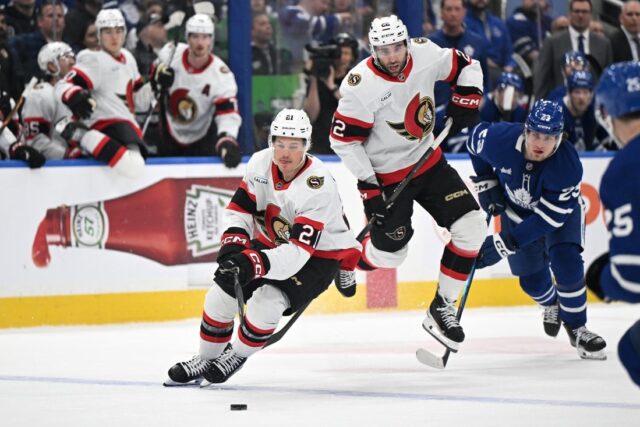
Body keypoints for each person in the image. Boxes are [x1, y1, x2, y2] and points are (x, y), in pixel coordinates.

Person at [164, 109, 361, 386]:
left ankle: (236, 355)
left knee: (267, 303)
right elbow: (241, 209)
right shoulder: (259, 163)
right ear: (271, 142)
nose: (285, 153)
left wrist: (253, 263)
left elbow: (296, 254)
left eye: (294, 145)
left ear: (306, 146)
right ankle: (206, 358)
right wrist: (235, 242)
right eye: (280, 143)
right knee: (220, 293)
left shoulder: (318, 185)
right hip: (273, 242)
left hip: (319, 255)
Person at [329, 15, 488, 352]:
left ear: (406, 43)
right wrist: (369, 187)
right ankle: (348, 259)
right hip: (388, 178)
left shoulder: (425, 53)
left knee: (472, 227)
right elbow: (343, 141)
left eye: (397, 48)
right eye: (384, 50)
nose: (392, 56)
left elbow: (466, 66)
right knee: (391, 256)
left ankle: (442, 307)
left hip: (428, 162)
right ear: (373, 50)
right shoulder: (360, 87)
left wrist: (468, 97)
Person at [467, 99, 607, 360]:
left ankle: (578, 328)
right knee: (532, 282)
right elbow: (473, 140)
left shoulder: (568, 165)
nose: (540, 143)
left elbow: (547, 220)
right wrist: (486, 181)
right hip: (515, 213)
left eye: (549, 137)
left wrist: (503, 243)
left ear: (559, 138)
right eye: (535, 134)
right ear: (526, 130)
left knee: (566, 260)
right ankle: (552, 303)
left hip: (558, 217)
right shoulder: (501, 139)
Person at [585, 61, 640, 386]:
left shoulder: (625, 168)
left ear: (608, 112)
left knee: (633, 350)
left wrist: (603, 279)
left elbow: (632, 280)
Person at [55, 8, 147, 177]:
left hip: (127, 126)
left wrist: (156, 84)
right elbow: (63, 85)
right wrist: (74, 95)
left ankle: (82, 137)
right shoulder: (94, 59)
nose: (114, 37)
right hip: (104, 125)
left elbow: (140, 101)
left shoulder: (129, 58)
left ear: (125, 33)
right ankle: (83, 136)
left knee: (134, 167)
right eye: (108, 32)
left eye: (118, 31)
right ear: (99, 35)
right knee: (134, 167)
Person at [151, 13, 242, 167]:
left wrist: (227, 138)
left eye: (205, 37)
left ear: (211, 40)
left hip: (202, 137)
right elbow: (151, 81)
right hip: (168, 133)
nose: (200, 43)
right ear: (187, 38)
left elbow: (227, 113)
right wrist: (157, 78)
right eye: (195, 37)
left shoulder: (222, 75)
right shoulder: (170, 55)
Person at [533, 0, 612, 100]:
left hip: (594, 103)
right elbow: (542, 79)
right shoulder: (552, 42)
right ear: (569, 14)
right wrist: (540, 105)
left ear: (591, 15)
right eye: (577, 11)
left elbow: (608, 80)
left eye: (584, 12)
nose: (580, 15)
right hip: (560, 103)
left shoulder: (603, 44)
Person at [21, 42, 82, 162]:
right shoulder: (40, 95)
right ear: (52, 66)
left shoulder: (79, 93)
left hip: (81, 164)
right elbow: (35, 141)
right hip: (52, 168)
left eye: (73, 56)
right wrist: (67, 155)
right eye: (65, 57)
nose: (72, 61)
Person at [303, 32, 358, 155]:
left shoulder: (355, 78)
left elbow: (355, 108)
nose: (341, 58)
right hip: (320, 143)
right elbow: (311, 115)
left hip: (347, 143)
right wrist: (313, 78)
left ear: (352, 56)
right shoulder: (320, 77)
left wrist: (332, 86)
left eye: (346, 53)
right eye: (338, 53)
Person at [560, 70, 610, 151]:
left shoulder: (594, 109)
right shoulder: (558, 114)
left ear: (591, 95)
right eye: (577, 92)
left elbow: (607, 140)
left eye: (585, 92)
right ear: (569, 94)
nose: (581, 97)